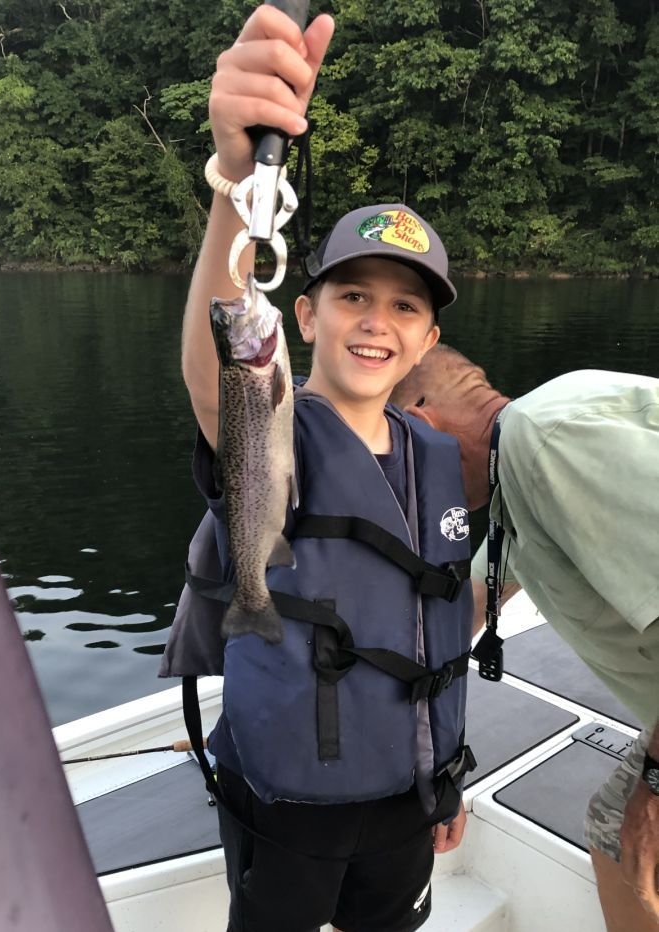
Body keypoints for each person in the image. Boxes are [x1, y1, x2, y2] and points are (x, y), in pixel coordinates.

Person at [160, 7, 478, 931]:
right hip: (291, 807)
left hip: (405, 803)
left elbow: (439, 616)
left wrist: (446, 780)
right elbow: (220, 353)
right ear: (304, 316)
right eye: (351, 297)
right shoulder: (269, 420)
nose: (376, 321)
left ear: (428, 338)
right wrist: (235, 183)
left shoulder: (432, 455)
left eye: (403, 307)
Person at [390, 343, 659, 931]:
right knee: (615, 826)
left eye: (393, 463)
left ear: (419, 425)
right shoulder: (519, 465)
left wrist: (658, 790)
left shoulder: (547, 442)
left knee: (637, 831)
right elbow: (465, 612)